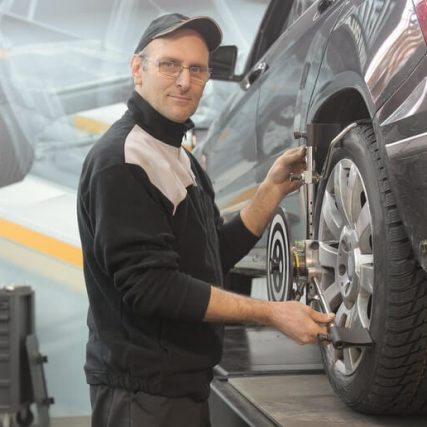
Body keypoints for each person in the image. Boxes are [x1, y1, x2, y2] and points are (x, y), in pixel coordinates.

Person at [77, 13, 334, 427]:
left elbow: (212, 255)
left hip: (181, 388)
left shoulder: (182, 159)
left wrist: (268, 192)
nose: (184, 81)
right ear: (137, 68)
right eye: (170, 65)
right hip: (142, 398)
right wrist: (270, 313)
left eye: (197, 69)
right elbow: (153, 287)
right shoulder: (121, 160)